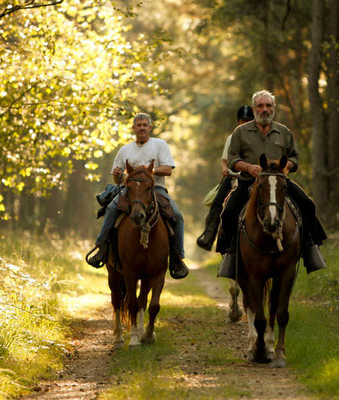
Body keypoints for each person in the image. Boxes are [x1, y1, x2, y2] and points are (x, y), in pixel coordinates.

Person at [216, 90, 327, 278]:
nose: (264, 109)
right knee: (228, 212)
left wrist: (284, 167)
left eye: (268, 106)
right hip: (248, 183)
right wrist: (249, 167)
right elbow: (233, 159)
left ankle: (309, 249)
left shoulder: (284, 132)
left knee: (308, 205)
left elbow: (295, 158)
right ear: (254, 109)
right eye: (260, 106)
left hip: (278, 182)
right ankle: (231, 255)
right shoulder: (241, 132)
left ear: (273, 108)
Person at [87, 113, 189, 279]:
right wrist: (118, 174)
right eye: (138, 125)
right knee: (112, 208)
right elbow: (116, 177)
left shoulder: (159, 145)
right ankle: (101, 248)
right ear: (134, 128)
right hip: (130, 190)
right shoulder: (125, 149)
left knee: (177, 215)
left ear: (150, 127)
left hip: (155, 188)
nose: (142, 127)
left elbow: (168, 169)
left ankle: (177, 257)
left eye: (144, 125)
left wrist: (148, 172)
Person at [196, 105, 254, 251]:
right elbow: (225, 161)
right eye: (243, 120)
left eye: (248, 120)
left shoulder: (257, 136)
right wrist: (224, 169)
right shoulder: (232, 137)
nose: (245, 123)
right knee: (217, 203)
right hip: (234, 177)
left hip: (256, 177)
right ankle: (209, 236)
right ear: (238, 121)